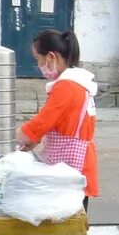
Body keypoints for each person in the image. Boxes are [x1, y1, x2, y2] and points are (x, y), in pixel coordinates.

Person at [15, 30, 98, 210]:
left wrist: (18, 137)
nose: (38, 65)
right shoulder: (78, 82)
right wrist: (34, 139)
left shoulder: (67, 86)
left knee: (69, 222)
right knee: (75, 221)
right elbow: (59, 120)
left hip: (72, 166)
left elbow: (44, 120)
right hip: (77, 162)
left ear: (51, 57)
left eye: (38, 59)